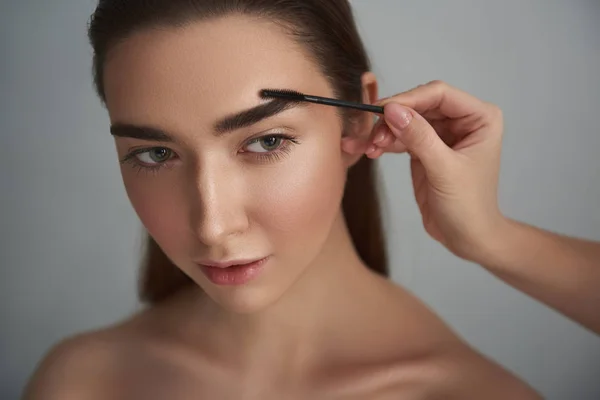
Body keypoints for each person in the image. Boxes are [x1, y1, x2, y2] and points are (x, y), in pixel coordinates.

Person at [22, 0, 598, 399]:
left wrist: (489, 236)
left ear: (357, 118)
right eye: (155, 154)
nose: (214, 225)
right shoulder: (83, 382)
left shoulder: (470, 394)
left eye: (266, 141)